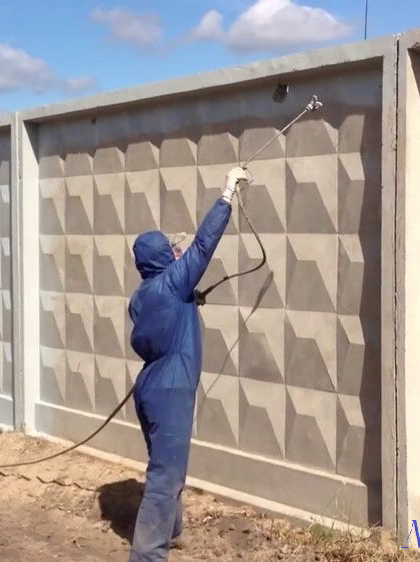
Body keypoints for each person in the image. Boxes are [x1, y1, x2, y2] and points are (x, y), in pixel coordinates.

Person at [127, 166, 252, 561]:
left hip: (148, 387)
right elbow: (203, 246)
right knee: (165, 475)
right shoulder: (172, 284)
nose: (177, 250)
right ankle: (147, 555)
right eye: (171, 248)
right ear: (164, 257)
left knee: (165, 465)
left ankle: (173, 530)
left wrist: (188, 300)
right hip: (170, 389)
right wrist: (226, 195)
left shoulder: (144, 294)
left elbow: (162, 318)